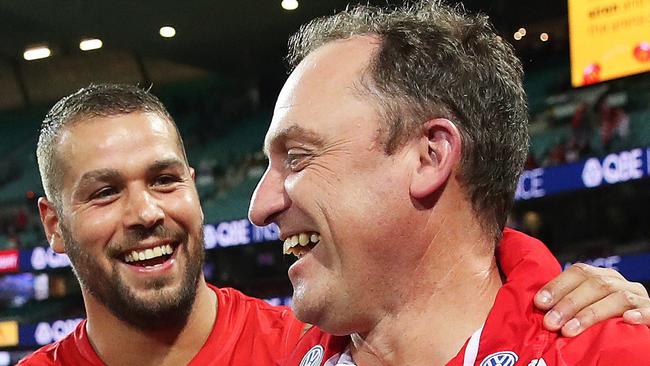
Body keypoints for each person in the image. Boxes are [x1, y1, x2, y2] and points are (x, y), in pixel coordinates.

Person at [21, 83, 649, 366]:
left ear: (193, 185)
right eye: (105, 192)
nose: (147, 213)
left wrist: (575, 306)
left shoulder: (313, 347)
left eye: (165, 180)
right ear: (53, 225)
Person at [246, 1, 650, 365]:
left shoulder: (607, 354)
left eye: (297, 157)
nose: (258, 207)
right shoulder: (274, 349)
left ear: (429, 157)